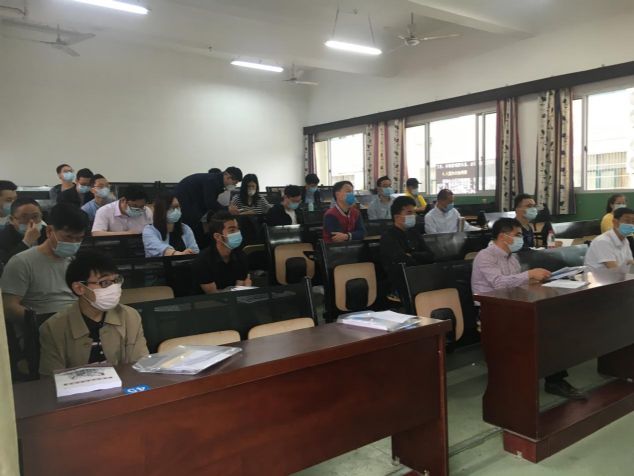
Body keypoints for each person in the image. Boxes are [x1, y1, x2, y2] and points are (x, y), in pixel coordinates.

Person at [472, 218, 585, 400]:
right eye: (517, 235)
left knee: (553, 326)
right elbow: (498, 283)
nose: (521, 238)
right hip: (491, 312)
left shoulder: (512, 258)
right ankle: (539, 380)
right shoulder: (485, 256)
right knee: (542, 331)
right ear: (503, 236)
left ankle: (555, 380)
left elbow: (516, 283)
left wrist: (537, 280)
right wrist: (529, 274)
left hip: (513, 306)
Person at [38, 251, 149, 376]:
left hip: (125, 386)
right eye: (104, 283)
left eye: (116, 280)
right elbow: (51, 380)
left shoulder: (130, 316)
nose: (114, 288)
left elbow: (141, 366)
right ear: (79, 288)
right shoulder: (53, 328)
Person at [1, 203, 87, 334]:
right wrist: (45, 322)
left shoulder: (76, 262)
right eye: (68, 237)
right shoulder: (22, 262)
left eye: (79, 238)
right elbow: (9, 307)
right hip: (43, 328)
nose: (73, 243)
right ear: (49, 231)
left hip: (78, 324)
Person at [380, 196, 434, 291]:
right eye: (409, 213)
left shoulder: (414, 232)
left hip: (420, 275)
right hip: (401, 280)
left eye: (414, 212)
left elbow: (430, 255)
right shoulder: (388, 236)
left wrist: (412, 255)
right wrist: (420, 258)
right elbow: (403, 261)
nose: (413, 216)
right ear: (396, 217)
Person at [191, 211, 251, 293]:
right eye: (232, 230)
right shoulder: (202, 261)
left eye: (238, 229)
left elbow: (239, 289)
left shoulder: (241, 256)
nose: (238, 233)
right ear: (217, 236)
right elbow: (213, 294)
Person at [175, 167, 243, 240]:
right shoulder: (212, 181)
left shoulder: (216, 180)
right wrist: (227, 209)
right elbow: (210, 203)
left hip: (190, 204)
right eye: (234, 183)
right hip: (185, 204)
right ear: (228, 177)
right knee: (191, 232)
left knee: (196, 232)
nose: (234, 186)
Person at [584, 207, 634, 271]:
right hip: (599, 276)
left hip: (616, 276)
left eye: (633, 222)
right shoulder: (603, 241)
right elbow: (613, 269)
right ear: (615, 222)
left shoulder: (625, 240)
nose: (631, 224)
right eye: (627, 221)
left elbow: (630, 262)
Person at [0, 198, 47, 265]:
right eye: (24, 217)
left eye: (35, 216)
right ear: (11, 219)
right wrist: (26, 242)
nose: (31, 221)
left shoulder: (47, 232)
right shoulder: (3, 238)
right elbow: (6, 263)